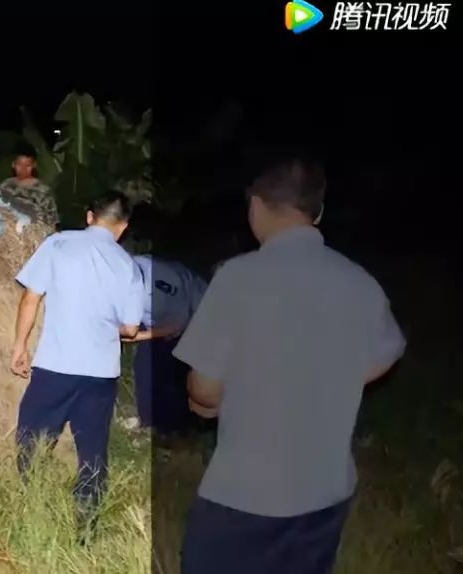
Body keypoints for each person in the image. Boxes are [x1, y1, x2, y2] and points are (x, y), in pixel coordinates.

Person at [172, 158, 406, 573]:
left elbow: (204, 388)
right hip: (326, 492)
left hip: (246, 493)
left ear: (256, 207)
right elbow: (385, 355)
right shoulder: (360, 282)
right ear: (317, 213)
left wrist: (216, 398)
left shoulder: (239, 277)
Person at [9, 191, 143, 539]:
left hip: (55, 366)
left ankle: (28, 518)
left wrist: (20, 346)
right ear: (123, 227)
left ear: (88, 216)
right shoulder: (129, 266)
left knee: (32, 444)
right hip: (100, 375)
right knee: (93, 454)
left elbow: (30, 297)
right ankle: (86, 531)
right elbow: (129, 329)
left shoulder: (59, 244)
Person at [125, 255, 208, 436]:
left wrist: (139, 336)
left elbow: (177, 324)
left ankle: (178, 427)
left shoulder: (163, 283)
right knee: (144, 364)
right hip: (156, 318)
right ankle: (147, 421)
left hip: (195, 315)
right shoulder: (118, 270)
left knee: (170, 369)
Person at [0, 153, 60, 229]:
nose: (23, 169)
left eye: (28, 165)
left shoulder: (43, 190)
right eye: (19, 165)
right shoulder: (6, 185)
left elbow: (52, 220)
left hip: (33, 230)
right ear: (13, 165)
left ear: (34, 165)